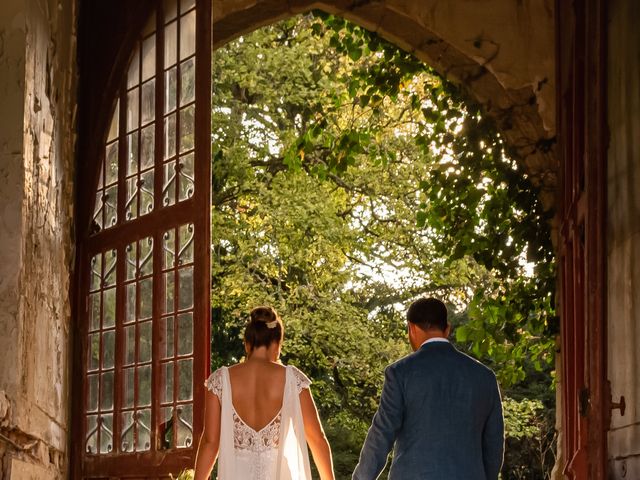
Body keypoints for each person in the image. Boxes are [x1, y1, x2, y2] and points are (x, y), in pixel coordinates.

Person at [352, 297, 504, 480]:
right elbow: (494, 445)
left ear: (411, 328)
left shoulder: (400, 373)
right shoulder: (484, 377)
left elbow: (381, 435)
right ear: (447, 329)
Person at [194, 306, 335, 480]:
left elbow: (210, 442)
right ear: (277, 343)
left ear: (247, 344)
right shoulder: (293, 379)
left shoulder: (220, 380)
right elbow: (317, 439)